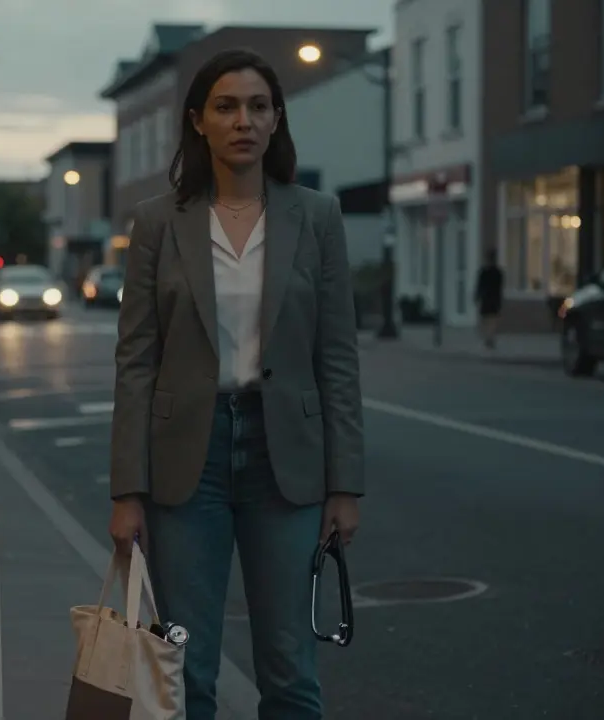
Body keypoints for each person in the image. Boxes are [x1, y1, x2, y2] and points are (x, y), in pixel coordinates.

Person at [108, 48, 365, 719]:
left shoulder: (317, 216)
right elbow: (136, 362)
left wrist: (344, 485)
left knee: (290, 673)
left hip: (286, 460)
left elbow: (337, 357)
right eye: (226, 107)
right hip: (186, 463)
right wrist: (127, 492)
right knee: (186, 671)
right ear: (198, 121)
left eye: (257, 106)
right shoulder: (159, 221)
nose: (243, 121)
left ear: (277, 119)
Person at [474, 250, 504, 349]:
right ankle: (490, 337)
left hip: (486, 298)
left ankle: (488, 337)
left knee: (485, 319)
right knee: (492, 319)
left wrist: (477, 296)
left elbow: (480, 286)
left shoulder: (484, 272)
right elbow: (500, 288)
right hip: (494, 299)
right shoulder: (498, 272)